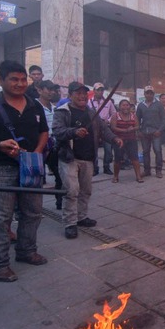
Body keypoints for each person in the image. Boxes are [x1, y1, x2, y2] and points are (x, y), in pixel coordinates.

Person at [0, 60, 49, 283]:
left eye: (23, 79)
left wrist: (37, 152)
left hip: (31, 166)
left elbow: (44, 131)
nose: (20, 83)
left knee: (32, 212)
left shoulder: (34, 105)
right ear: (0, 81)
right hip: (0, 168)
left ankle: (26, 252)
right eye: (14, 79)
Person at [52, 82, 123, 239]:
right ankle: (70, 223)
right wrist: (74, 132)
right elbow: (57, 131)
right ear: (70, 95)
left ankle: (81, 217)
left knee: (86, 190)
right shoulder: (63, 112)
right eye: (78, 93)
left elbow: (104, 130)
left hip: (88, 157)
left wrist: (115, 138)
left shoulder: (91, 113)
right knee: (71, 191)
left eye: (84, 93)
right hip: (69, 157)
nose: (82, 96)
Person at [35, 80, 63, 210]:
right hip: (38, 147)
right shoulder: (33, 106)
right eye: (49, 89)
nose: (52, 92)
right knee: (36, 178)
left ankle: (59, 201)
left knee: (59, 175)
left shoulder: (55, 108)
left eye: (53, 90)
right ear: (40, 90)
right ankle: (34, 207)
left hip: (54, 146)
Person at [109, 100, 143, 183]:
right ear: (119, 107)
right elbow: (113, 127)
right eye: (123, 105)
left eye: (127, 105)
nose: (125, 107)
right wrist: (124, 130)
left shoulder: (133, 116)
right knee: (118, 158)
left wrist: (133, 129)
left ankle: (138, 176)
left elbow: (138, 126)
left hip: (131, 139)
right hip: (119, 140)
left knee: (135, 158)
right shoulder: (115, 116)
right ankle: (116, 176)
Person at [136, 86, 165, 178]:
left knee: (157, 151)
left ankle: (159, 170)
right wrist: (138, 131)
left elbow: (164, 119)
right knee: (145, 152)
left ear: (153, 94)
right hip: (144, 132)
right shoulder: (141, 105)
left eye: (151, 93)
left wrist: (159, 130)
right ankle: (147, 170)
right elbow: (137, 119)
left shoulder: (159, 105)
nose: (149, 95)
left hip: (156, 132)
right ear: (144, 94)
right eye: (147, 93)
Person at [89, 82, 116, 176]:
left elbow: (113, 113)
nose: (100, 92)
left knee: (108, 149)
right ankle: (95, 168)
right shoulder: (89, 102)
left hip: (105, 128)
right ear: (94, 91)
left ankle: (106, 167)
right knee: (94, 149)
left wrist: (108, 121)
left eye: (102, 90)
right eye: (98, 90)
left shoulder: (108, 102)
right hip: (94, 129)